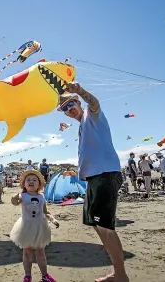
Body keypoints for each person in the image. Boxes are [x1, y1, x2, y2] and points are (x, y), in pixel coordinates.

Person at [58, 82, 129, 282]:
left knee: (105, 226)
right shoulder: (81, 126)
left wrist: (79, 90)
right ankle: (117, 272)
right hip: (93, 178)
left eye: (70, 104)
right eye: (64, 109)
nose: (68, 110)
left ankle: (121, 276)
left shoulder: (92, 116)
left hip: (105, 174)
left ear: (78, 103)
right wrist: (76, 171)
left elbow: (95, 102)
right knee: (97, 225)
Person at [10, 169, 59, 282]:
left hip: (40, 227)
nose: (31, 181)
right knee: (27, 252)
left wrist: (53, 219)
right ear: (24, 184)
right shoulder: (23, 195)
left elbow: (45, 212)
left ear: (39, 184)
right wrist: (14, 197)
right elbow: (15, 202)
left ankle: (45, 275)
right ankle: (27, 276)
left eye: (34, 180)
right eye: (28, 180)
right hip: (26, 227)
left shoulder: (41, 197)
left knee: (40, 252)